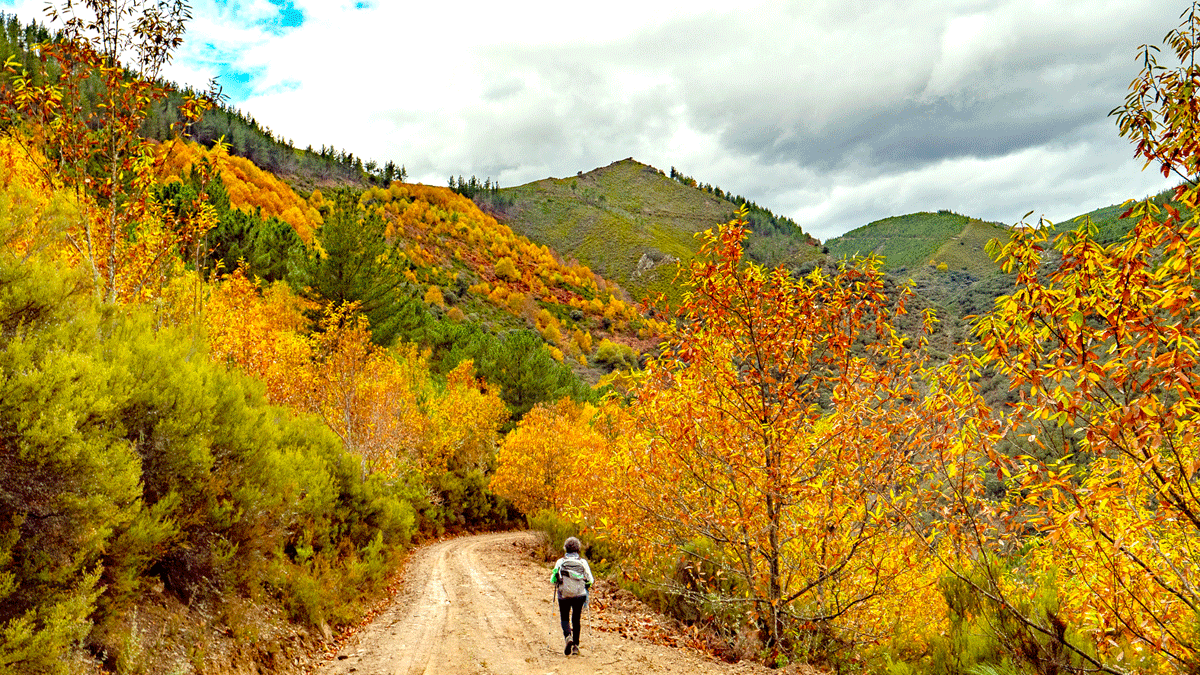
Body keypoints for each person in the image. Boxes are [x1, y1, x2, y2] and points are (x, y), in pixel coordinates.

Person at [550, 536, 594, 656]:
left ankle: (568, 637)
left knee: (564, 618)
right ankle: (575, 646)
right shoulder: (582, 562)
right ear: (578, 549)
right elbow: (590, 580)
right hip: (579, 595)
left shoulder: (560, 562)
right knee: (576, 619)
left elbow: (553, 580)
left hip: (564, 594)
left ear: (565, 548)